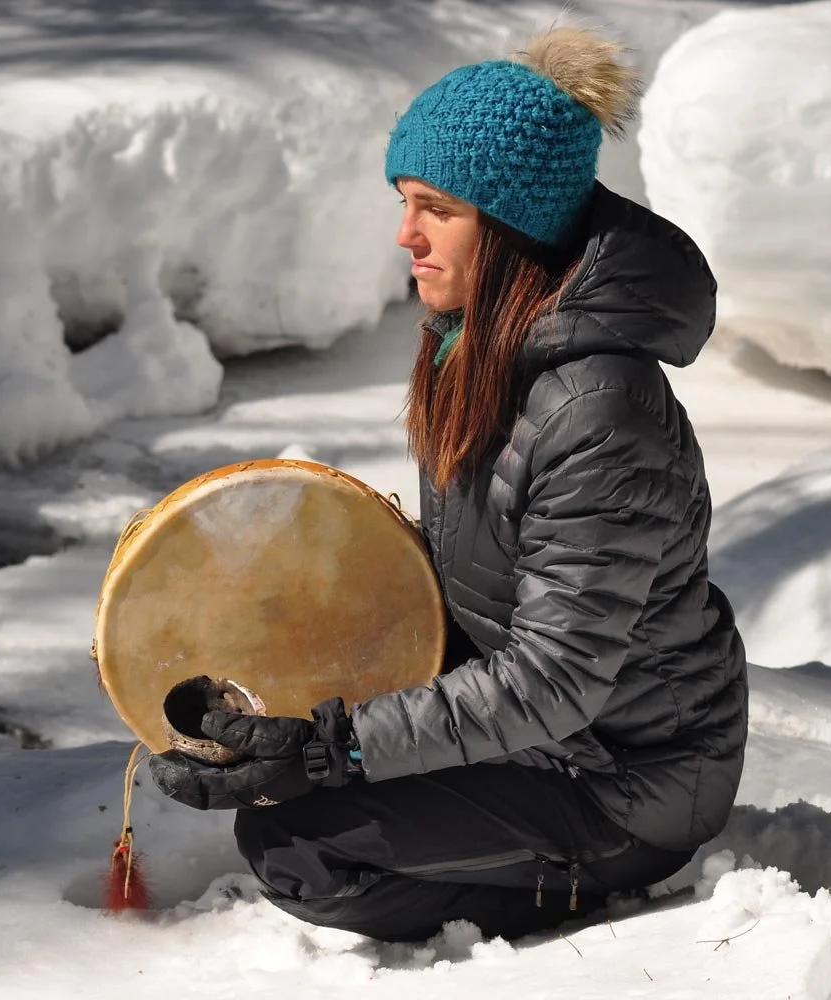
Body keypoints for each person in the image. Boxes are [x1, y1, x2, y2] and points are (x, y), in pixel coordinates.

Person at [149, 26, 748, 942]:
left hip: (627, 780)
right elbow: (479, 577)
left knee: (297, 846)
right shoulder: (475, 340)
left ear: (512, 225)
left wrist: (335, 748)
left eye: (435, 208)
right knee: (273, 765)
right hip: (550, 737)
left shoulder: (598, 410)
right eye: (403, 201)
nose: (406, 234)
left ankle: (587, 905)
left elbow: (557, 677)